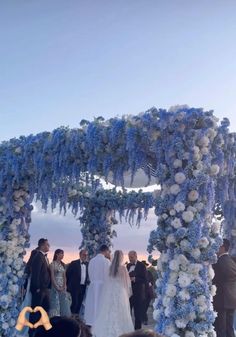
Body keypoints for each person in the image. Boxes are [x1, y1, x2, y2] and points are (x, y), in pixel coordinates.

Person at [93, 250, 134, 337]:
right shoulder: (123, 268)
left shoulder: (110, 267)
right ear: (121, 257)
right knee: (121, 311)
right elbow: (126, 283)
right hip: (120, 292)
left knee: (109, 310)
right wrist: (127, 293)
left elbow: (107, 281)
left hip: (111, 292)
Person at [213, 238, 236, 337]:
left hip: (221, 300)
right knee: (230, 328)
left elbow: (214, 279)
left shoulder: (218, 262)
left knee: (221, 329)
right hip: (232, 299)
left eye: (217, 246)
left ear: (222, 247)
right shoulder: (232, 261)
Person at [84, 244, 111, 327]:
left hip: (93, 285)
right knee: (101, 304)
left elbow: (89, 273)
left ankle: (91, 321)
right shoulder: (106, 261)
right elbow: (108, 275)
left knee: (92, 304)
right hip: (103, 286)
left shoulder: (92, 260)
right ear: (106, 251)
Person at [29, 238, 51, 336]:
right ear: (42, 245)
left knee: (46, 309)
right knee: (36, 312)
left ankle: (40, 330)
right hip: (39, 289)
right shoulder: (38, 256)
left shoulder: (44, 257)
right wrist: (36, 288)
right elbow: (36, 273)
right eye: (47, 244)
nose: (49, 246)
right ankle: (32, 331)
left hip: (45, 289)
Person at [127, 251, 147, 330]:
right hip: (129, 293)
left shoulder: (142, 266)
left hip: (138, 293)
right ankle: (128, 329)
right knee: (128, 312)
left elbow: (145, 280)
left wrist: (135, 279)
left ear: (136, 256)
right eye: (129, 257)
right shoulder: (128, 265)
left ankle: (137, 331)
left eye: (131, 257)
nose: (130, 259)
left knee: (137, 314)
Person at [66, 249, 89, 315]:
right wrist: (68, 285)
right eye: (84, 255)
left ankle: (76, 318)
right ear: (80, 255)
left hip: (83, 287)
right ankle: (71, 318)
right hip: (74, 287)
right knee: (74, 303)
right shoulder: (74, 263)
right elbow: (68, 274)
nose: (85, 256)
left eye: (86, 255)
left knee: (79, 303)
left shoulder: (87, 264)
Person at [49, 249, 71, 317]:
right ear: (57, 254)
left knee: (64, 302)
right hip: (55, 285)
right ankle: (55, 317)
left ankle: (64, 317)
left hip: (62, 286)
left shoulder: (62, 265)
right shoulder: (52, 264)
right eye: (61, 253)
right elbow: (52, 277)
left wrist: (64, 286)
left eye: (63, 254)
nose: (62, 255)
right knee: (55, 302)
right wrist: (57, 287)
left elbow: (65, 277)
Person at [141, 261, 155, 325]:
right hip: (142, 293)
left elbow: (152, 281)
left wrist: (150, 283)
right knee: (143, 307)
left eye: (144, 266)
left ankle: (143, 318)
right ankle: (144, 320)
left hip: (148, 293)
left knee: (145, 307)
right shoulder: (139, 274)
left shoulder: (149, 273)